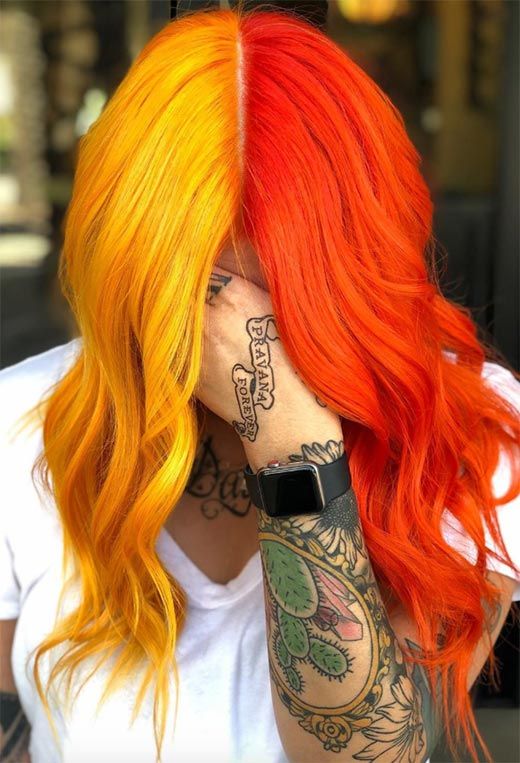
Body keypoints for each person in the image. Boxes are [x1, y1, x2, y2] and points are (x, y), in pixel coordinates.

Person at [1, 7, 519, 763]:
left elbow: (370, 753)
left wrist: (286, 440)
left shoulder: (472, 431)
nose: (242, 332)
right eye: (204, 290)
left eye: (289, 298)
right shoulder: (18, 421)